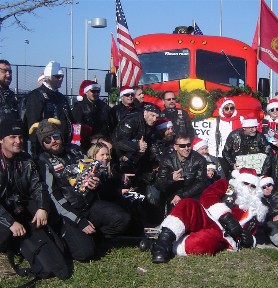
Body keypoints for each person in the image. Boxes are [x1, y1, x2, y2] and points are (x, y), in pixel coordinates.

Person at [34, 119, 131, 261]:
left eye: (55, 136)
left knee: (123, 219)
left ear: (60, 136)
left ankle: (95, 236)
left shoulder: (75, 149)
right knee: (85, 254)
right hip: (69, 213)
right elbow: (54, 196)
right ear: (42, 143)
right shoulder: (43, 160)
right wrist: (78, 220)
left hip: (90, 204)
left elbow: (94, 171)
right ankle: (73, 237)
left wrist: (96, 181)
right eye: (47, 139)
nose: (53, 141)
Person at [0, 117, 70, 279]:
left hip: (18, 206)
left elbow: (37, 186)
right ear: (1, 139)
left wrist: (42, 208)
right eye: (12, 137)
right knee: (5, 234)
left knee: (42, 218)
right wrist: (10, 223)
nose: (18, 141)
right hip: (3, 213)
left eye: (20, 137)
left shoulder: (26, 159)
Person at [150, 168, 268, 263]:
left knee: (203, 242)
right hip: (209, 217)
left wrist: (250, 240)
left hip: (224, 235)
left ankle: (163, 247)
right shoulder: (226, 185)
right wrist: (226, 216)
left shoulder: (257, 209)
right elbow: (207, 197)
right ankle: (162, 243)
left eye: (253, 186)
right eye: (245, 183)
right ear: (238, 181)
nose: (248, 187)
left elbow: (255, 234)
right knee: (187, 204)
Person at [24, 61, 74, 157]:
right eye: (57, 76)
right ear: (47, 77)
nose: (61, 79)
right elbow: (33, 125)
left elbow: (70, 121)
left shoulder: (62, 98)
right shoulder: (36, 96)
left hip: (62, 147)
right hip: (44, 149)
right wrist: (36, 150)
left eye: (62, 76)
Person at [154, 134, 207, 213]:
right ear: (175, 147)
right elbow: (158, 184)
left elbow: (201, 182)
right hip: (172, 196)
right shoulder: (167, 160)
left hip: (191, 195)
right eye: (182, 146)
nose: (186, 148)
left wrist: (182, 196)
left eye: (188, 145)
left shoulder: (199, 159)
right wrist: (171, 178)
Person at [112, 103, 160, 174]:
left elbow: (153, 143)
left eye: (157, 117)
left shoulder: (151, 124)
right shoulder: (132, 120)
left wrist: (157, 161)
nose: (154, 119)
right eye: (152, 115)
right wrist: (137, 145)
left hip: (137, 159)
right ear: (145, 113)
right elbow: (118, 141)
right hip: (119, 157)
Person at [72, 80, 111, 150]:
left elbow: (109, 123)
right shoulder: (79, 106)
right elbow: (76, 125)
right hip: (86, 142)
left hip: (102, 140)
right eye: (93, 91)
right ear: (86, 92)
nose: (96, 93)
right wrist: (76, 142)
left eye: (98, 91)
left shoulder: (104, 106)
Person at [208, 97, 243, 175]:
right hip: (221, 154)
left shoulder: (240, 119)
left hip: (237, 154)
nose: (229, 110)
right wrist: (213, 156)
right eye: (226, 108)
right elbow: (212, 140)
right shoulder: (217, 121)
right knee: (223, 178)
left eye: (232, 108)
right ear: (222, 109)